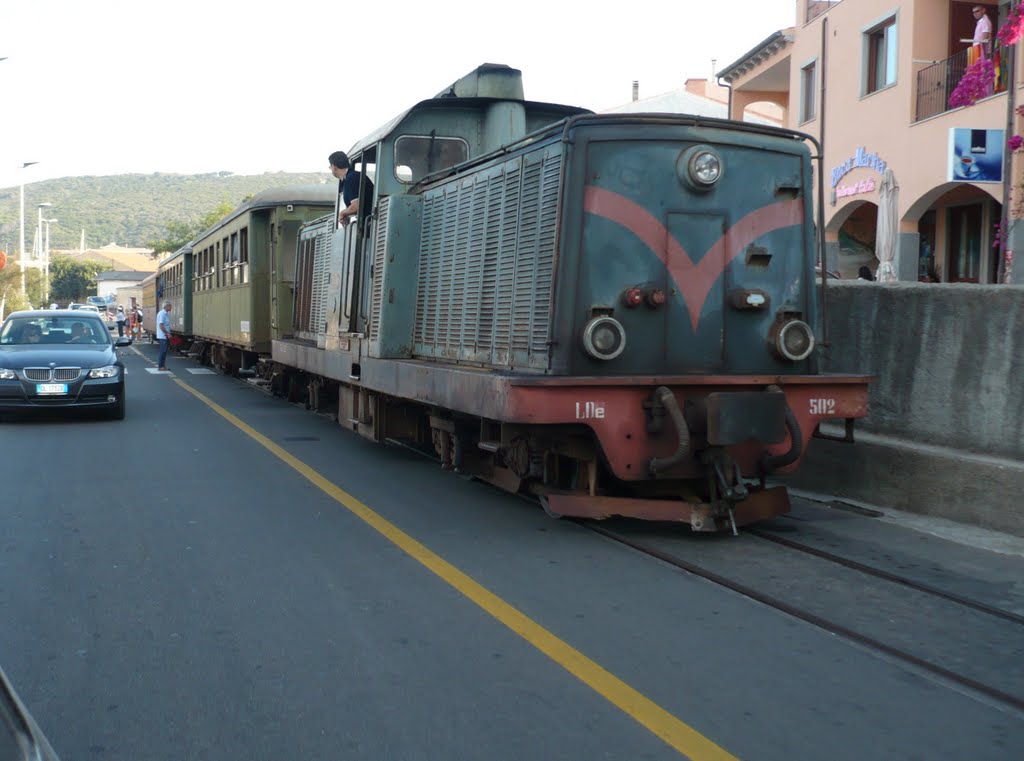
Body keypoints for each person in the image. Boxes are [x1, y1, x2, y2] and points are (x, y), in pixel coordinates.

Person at [328, 150, 374, 228]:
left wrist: (342, 213)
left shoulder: (352, 178)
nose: (330, 169)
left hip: (368, 226)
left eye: (330, 167)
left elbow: (356, 206)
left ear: (334, 167)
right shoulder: (348, 179)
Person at [157, 301, 172, 370]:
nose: (171, 307)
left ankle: (162, 365)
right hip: (163, 336)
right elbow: (161, 325)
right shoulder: (162, 314)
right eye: (170, 306)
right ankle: (161, 366)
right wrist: (167, 333)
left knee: (164, 351)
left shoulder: (165, 314)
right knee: (163, 351)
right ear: (166, 306)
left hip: (164, 335)